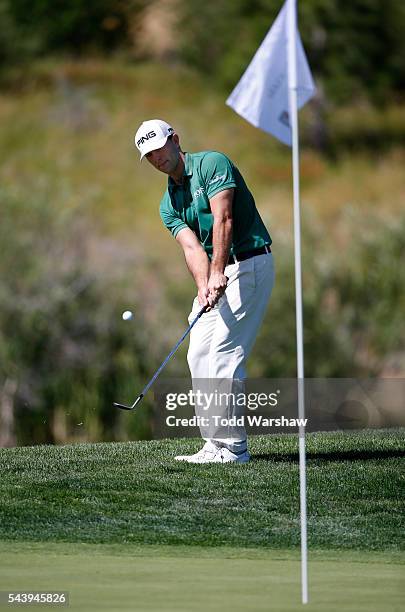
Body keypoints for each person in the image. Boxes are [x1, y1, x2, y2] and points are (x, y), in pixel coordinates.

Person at [134, 119, 275, 463]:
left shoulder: (212, 163)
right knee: (198, 353)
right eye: (148, 155)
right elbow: (192, 248)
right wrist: (203, 287)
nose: (156, 158)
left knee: (224, 354)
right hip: (217, 272)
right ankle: (214, 444)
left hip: (249, 263)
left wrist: (217, 272)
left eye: (158, 149)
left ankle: (235, 448)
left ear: (175, 140)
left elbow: (223, 218)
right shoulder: (168, 203)